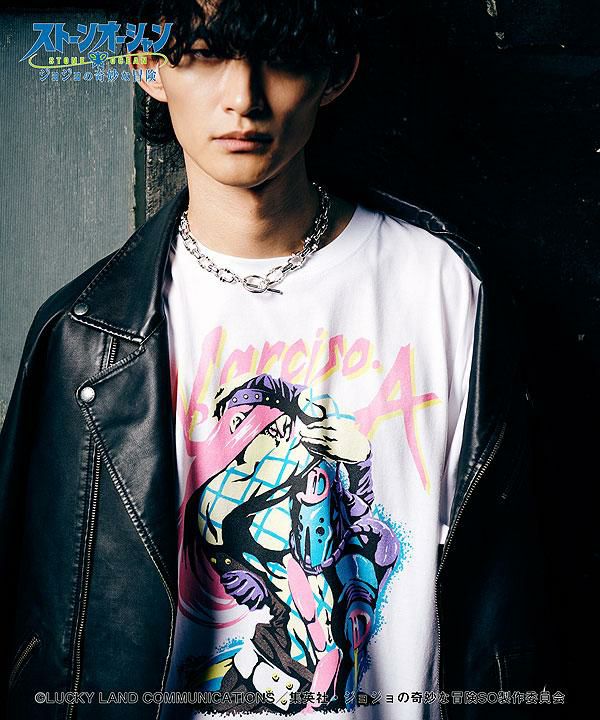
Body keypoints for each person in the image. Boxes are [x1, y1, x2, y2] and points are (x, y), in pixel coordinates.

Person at [1, 1, 551, 719]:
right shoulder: (84, 337)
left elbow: (511, 605)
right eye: (203, 54)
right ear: (148, 66)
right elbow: (45, 628)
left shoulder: (446, 289)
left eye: (281, 57)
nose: (243, 97)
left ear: (335, 73)